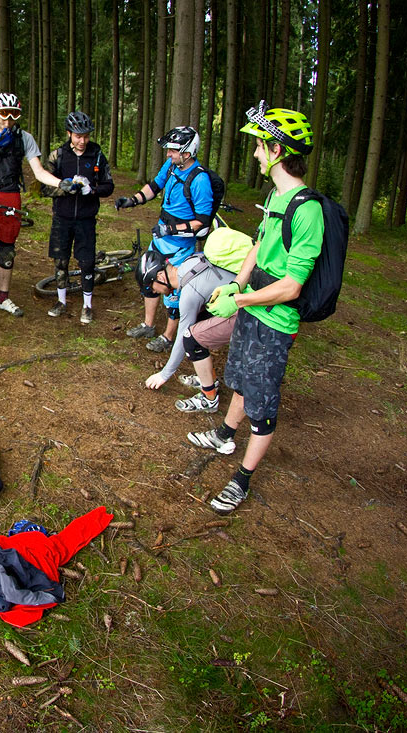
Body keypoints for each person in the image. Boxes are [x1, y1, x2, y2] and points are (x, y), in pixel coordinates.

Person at [187, 102, 321, 516]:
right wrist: (236, 285)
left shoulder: (307, 210)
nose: (257, 153)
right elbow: (259, 247)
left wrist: (241, 299)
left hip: (275, 322)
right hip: (251, 311)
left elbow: (292, 285)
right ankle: (225, 435)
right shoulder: (277, 196)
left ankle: (242, 480)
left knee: (262, 405)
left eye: (262, 146)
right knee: (242, 381)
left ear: (278, 150)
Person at [0, 92, 73, 317]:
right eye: (4, 114)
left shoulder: (25, 138)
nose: (8, 120)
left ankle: (3, 297)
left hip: (10, 195)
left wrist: (60, 183)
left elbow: (39, 172)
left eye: (14, 115)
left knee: (7, 250)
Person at [115, 127, 214, 352]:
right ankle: (148, 325)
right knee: (148, 279)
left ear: (187, 153)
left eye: (173, 150)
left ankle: (168, 337)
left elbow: (202, 222)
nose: (168, 154)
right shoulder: (171, 166)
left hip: (180, 247)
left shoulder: (200, 180)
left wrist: (170, 229)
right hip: (160, 239)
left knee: (174, 292)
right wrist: (133, 200)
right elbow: (154, 186)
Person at [136, 249, 236, 413]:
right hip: (243, 297)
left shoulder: (190, 293)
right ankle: (210, 379)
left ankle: (209, 398)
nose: (153, 291)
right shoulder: (190, 263)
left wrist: (164, 374)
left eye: (150, 286)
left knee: (191, 338)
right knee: (198, 323)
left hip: (249, 313)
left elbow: (182, 338)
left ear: (160, 277)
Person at [42, 110, 115, 324]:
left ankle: (87, 305)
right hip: (62, 218)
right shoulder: (58, 155)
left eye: (86, 136)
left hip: (86, 218)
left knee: (87, 261)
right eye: (78, 136)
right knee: (60, 260)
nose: (82, 141)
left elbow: (109, 185)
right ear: (69, 134)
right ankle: (61, 301)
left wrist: (92, 190)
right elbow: (44, 187)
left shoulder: (97, 154)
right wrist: (64, 188)